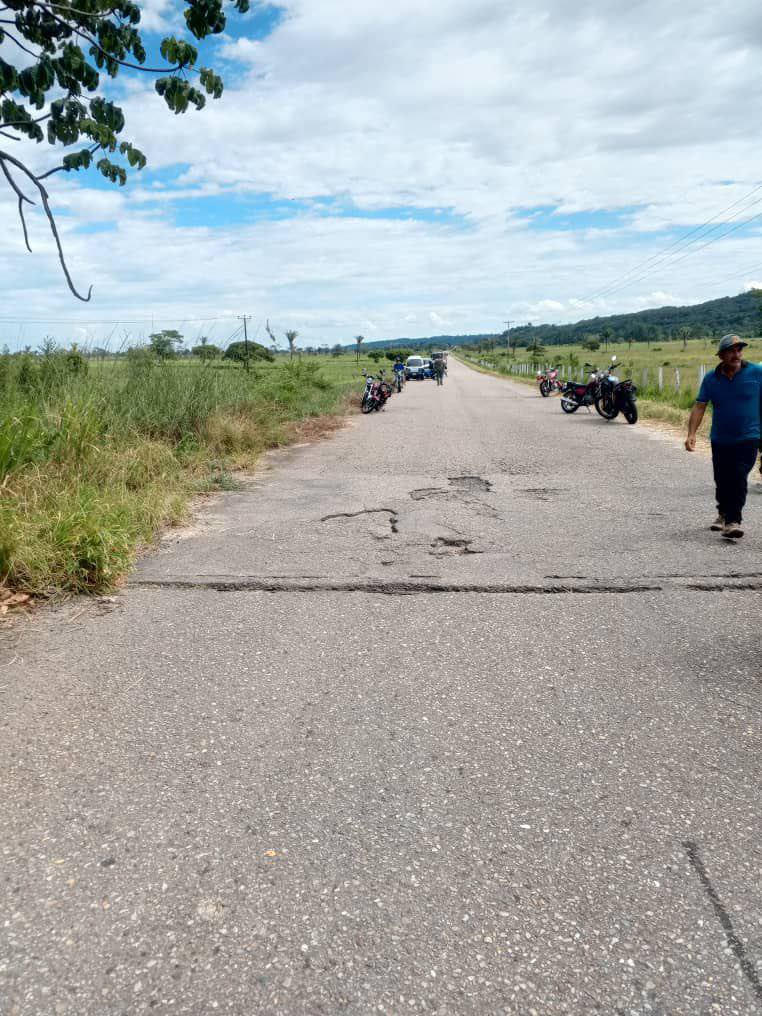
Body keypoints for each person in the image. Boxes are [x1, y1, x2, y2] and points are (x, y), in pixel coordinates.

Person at [685, 334, 762, 539]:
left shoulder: (757, 372)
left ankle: (733, 521)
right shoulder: (711, 378)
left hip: (750, 436)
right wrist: (692, 433)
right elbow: (700, 406)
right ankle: (723, 512)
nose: (736, 354)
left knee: (738, 476)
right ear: (721, 355)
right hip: (720, 438)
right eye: (731, 351)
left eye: (739, 350)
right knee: (722, 479)